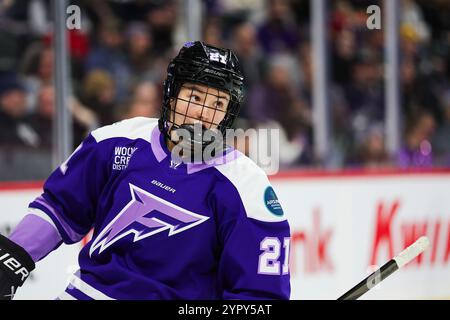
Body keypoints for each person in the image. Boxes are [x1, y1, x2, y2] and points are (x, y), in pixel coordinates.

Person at [0, 41, 291, 300]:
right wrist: (12, 260)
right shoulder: (116, 141)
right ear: (172, 95)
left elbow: (261, 294)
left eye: (218, 103)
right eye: (195, 97)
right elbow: (60, 208)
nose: (204, 113)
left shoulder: (246, 186)